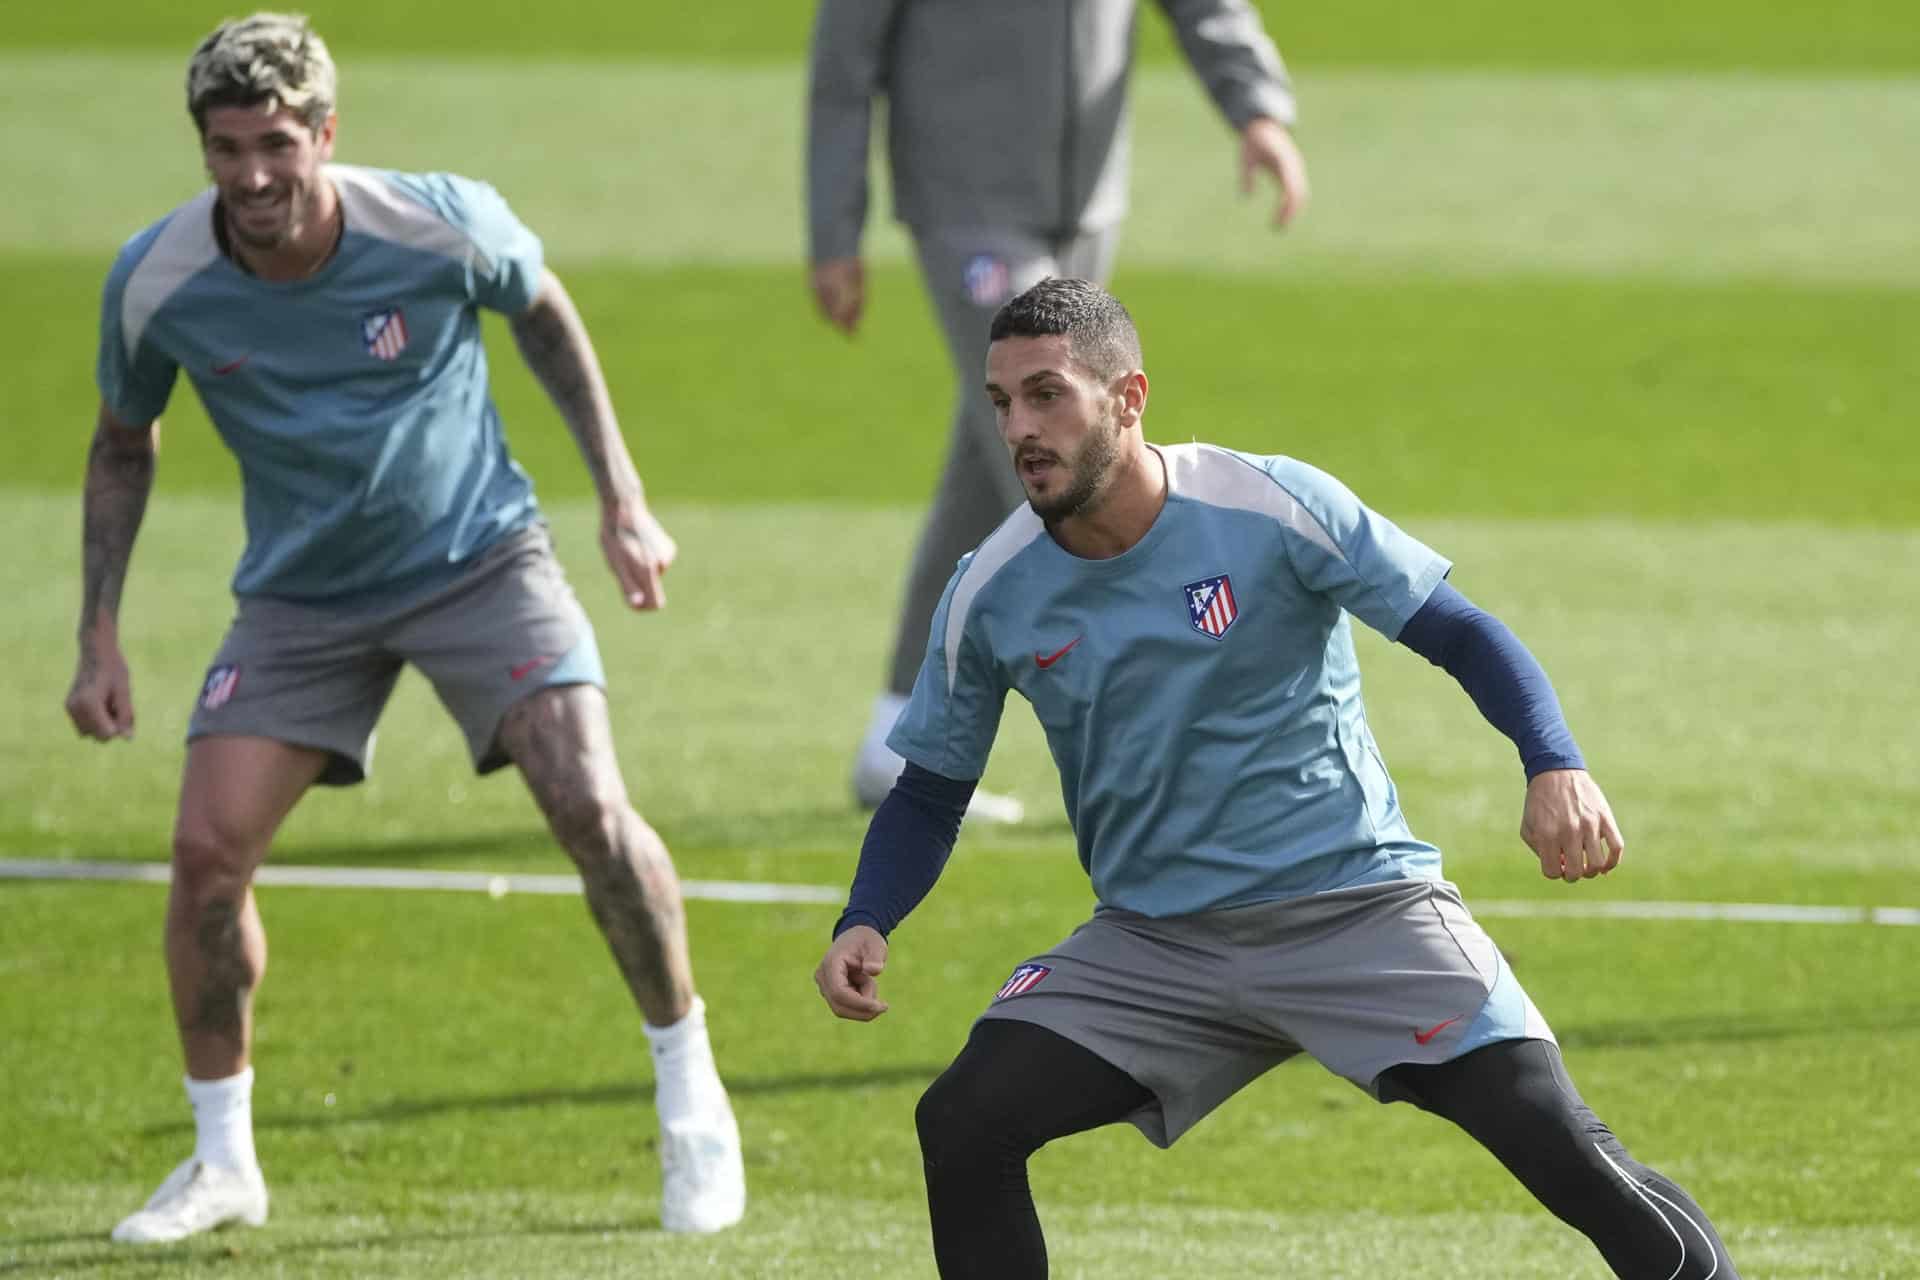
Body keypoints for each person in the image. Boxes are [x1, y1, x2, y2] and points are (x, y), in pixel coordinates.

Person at [813, 278, 1741, 1278]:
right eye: (1001, 404)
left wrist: (1553, 761)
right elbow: (930, 789)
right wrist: (867, 914)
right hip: (1154, 943)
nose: (1020, 429)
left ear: (1128, 398)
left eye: (1047, 396)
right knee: (963, 1120)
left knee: (1556, 1139)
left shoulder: (1265, 504)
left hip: (1358, 911)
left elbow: (1462, 632)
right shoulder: (991, 588)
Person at [67, 13, 745, 1244]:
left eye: (277, 142)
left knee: (588, 804)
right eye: (227, 148)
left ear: (326, 132)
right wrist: (97, 634)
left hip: (478, 559)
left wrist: (622, 499)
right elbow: (123, 441)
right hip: (301, 593)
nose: (255, 175)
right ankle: (225, 1160)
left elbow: (542, 311)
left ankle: (689, 1087)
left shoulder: (438, 222)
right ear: (203, 148)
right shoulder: (157, 276)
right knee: (206, 854)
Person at [807, 0, 1310, 821]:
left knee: (988, 467)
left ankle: (897, 735)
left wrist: (1254, 104)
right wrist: (835, 228)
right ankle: (1165, 746)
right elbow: (844, 59)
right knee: (1072, 462)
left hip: (1086, 205)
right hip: (966, 203)